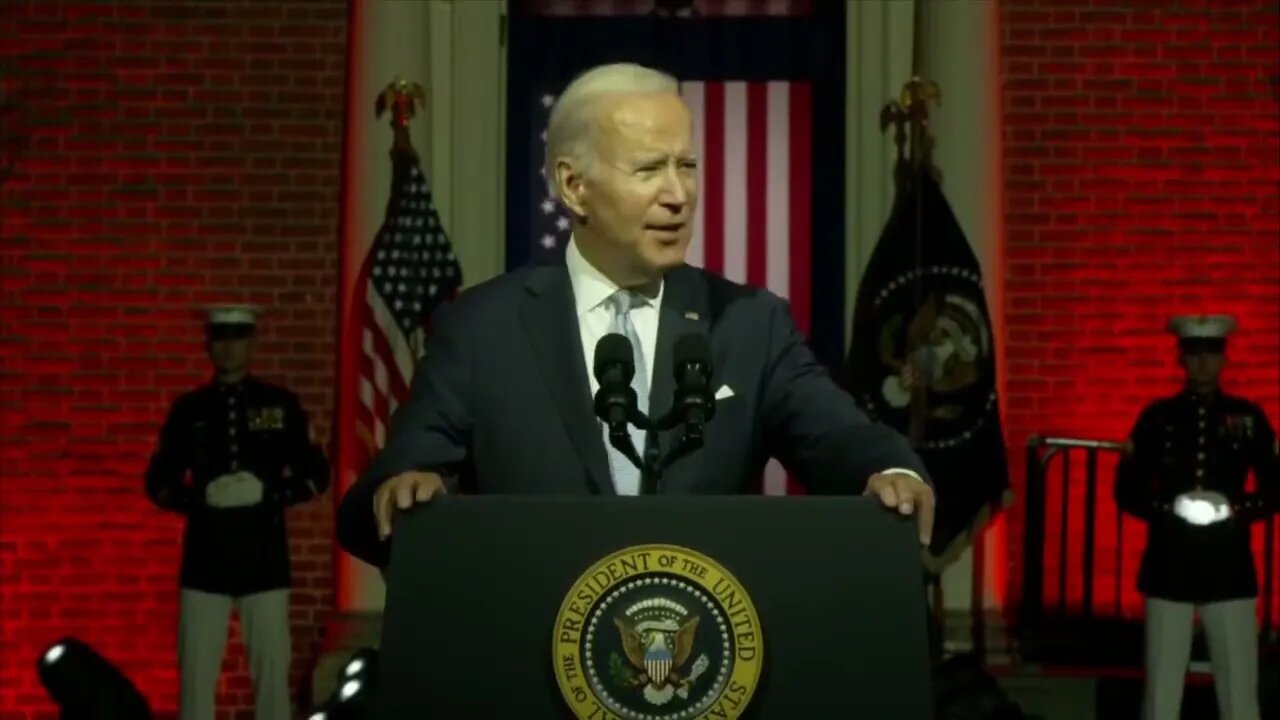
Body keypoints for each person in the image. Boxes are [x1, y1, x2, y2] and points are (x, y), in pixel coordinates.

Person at [336, 62, 935, 569]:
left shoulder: (748, 323)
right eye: (649, 170)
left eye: (687, 166)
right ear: (574, 188)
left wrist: (890, 469)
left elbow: (840, 437)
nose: (678, 195)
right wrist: (404, 493)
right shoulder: (483, 329)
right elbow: (388, 486)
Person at [144, 305, 330, 720]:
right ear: (208, 346)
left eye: (239, 338)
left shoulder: (279, 405)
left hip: (263, 556)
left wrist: (272, 495)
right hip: (205, 559)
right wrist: (197, 499)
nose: (230, 349)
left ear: (252, 343)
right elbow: (157, 480)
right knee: (195, 676)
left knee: (271, 676)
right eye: (222, 339)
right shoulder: (189, 410)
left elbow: (315, 472)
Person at [1115, 314, 1278, 720]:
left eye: (1211, 353)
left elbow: (1276, 487)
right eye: (1194, 353)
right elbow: (1128, 488)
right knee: (1160, 699)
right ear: (1181, 359)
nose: (1203, 362)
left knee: (1240, 696)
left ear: (1224, 360)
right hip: (1170, 561)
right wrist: (1168, 511)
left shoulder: (1248, 417)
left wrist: (1236, 510)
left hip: (1229, 562)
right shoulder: (1158, 418)